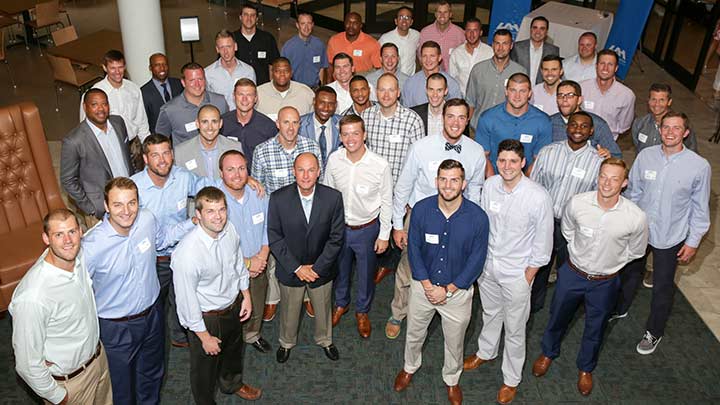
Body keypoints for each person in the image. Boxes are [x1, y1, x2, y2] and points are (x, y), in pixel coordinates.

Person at [531, 158, 648, 397]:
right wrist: (578, 253)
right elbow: (568, 230)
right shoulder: (577, 203)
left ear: (624, 183)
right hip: (572, 274)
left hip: (606, 282)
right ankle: (548, 353)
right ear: (597, 177)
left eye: (615, 178)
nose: (607, 183)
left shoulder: (635, 216)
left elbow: (636, 251)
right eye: (604, 176)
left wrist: (611, 262)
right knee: (557, 317)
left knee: (596, 327)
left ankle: (586, 368)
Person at [82, 177, 193, 404]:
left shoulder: (147, 220)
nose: (126, 211)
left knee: (153, 375)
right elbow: (78, 291)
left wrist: (194, 221)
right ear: (106, 206)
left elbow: (162, 240)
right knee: (121, 387)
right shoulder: (91, 246)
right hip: (116, 327)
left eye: (132, 203)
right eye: (118, 205)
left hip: (152, 316)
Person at [392, 159, 489, 405]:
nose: (448, 185)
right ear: (436, 182)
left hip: (457, 293)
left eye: (454, 179)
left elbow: (476, 261)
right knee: (414, 333)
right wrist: (427, 286)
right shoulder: (422, 210)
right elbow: (413, 250)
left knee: (455, 342)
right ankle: (409, 367)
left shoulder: (478, 217)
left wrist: (448, 290)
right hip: (422, 288)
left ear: (463, 184)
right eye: (443, 179)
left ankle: (452, 379)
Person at [464, 139, 553, 405]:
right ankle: (486, 352)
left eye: (513, 161)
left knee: (515, 329)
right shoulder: (490, 186)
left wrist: (528, 274)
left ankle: (511, 379)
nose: (507, 166)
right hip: (489, 267)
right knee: (490, 313)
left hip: (518, 272)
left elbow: (543, 242)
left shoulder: (538, 196)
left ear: (523, 163)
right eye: (502, 161)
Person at [388, 98, 486, 339]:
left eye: (461, 117)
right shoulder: (422, 146)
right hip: (420, 218)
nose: (455, 122)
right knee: (408, 268)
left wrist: (471, 226)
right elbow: (403, 186)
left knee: (453, 265)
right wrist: (398, 225)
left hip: (458, 218)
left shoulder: (475, 151)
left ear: (467, 120)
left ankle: (444, 310)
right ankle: (398, 312)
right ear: (442, 117)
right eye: (450, 116)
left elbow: (475, 192)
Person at [614, 112, 710, 355]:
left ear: (685, 133)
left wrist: (693, 241)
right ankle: (620, 308)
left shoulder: (699, 166)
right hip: (640, 229)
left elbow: (700, 207)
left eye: (676, 128)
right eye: (666, 127)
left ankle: (653, 331)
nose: (669, 132)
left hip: (671, 234)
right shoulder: (646, 156)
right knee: (628, 273)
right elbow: (633, 192)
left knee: (662, 287)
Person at [10, 209, 112, 405]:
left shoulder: (77, 257)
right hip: (71, 384)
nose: (68, 240)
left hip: (98, 361)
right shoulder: (34, 295)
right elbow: (27, 365)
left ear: (81, 232)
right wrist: (58, 396)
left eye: (72, 231)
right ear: (46, 239)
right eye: (59, 234)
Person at [172, 186, 262, 403]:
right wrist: (204, 337)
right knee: (204, 371)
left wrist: (246, 294)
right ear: (198, 215)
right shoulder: (187, 254)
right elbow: (186, 301)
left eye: (221, 209)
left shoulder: (229, 229)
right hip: (206, 318)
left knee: (233, 353)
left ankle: (232, 384)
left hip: (232, 306)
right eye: (210, 211)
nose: (218, 216)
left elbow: (238, 263)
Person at [130, 134, 206, 348]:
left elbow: (208, 187)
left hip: (180, 254)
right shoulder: (134, 187)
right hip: (152, 258)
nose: (162, 160)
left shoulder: (183, 177)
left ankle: (179, 336)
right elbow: (157, 238)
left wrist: (245, 180)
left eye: (166, 153)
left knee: (181, 296)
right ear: (146, 159)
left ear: (172, 155)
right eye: (155, 155)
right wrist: (191, 223)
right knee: (153, 303)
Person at [268, 153, 345, 363]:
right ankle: (286, 342)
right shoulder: (278, 198)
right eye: (301, 170)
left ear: (319, 172)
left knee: (323, 308)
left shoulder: (333, 198)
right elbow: (275, 237)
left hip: (322, 268)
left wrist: (317, 268)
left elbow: (336, 238)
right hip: (290, 269)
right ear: (294, 172)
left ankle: (325, 340)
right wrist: (297, 268)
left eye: (311, 170)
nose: (305, 175)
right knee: (289, 310)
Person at [323, 115, 392, 338]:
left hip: (367, 230)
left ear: (364, 135)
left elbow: (387, 201)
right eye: (346, 134)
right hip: (340, 228)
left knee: (365, 274)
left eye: (355, 133)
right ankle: (341, 304)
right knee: (340, 270)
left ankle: (362, 311)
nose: (351, 138)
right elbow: (327, 193)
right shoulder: (334, 160)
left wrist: (384, 235)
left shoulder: (380, 165)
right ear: (340, 137)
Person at [529, 112, 603, 314]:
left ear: (591, 130)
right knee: (539, 264)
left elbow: (598, 197)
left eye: (584, 126)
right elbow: (534, 186)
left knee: (568, 270)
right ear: (566, 127)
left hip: (574, 226)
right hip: (545, 221)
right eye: (574, 125)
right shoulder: (548, 152)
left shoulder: (598, 160)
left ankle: (562, 308)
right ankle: (533, 304)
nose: (578, 129)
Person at [252, 106, 322, 321]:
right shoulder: (262, 151)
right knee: (275, 262)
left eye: (295, 122)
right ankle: (273, 300)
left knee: (308, 256)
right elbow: (257, 189)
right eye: (286, 122)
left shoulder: (311, 147)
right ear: (277, 124)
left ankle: (307, 296)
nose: (290, 128)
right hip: (277, 217)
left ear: (300, 124)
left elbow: (320, 181)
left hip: (307, 215)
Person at [216, 150, 273, 354]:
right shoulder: (214, 201)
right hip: (229, 270)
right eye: (230, 169)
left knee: (256, 305)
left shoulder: (258, 193)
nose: (237, 174)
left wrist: (263, 255)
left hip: (259, 263)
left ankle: (252, 335)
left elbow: (269, 225)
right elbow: (216, 242)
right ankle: (231, 342)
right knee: (230, 310)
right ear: (221, 173)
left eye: (241, 168)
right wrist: (247, 263)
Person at [61, 88, 134, 226]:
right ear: (85, 107)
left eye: (104, 104)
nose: (101, 109)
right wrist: (91, 208)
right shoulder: (74, 141)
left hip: (129, 199)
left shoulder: (118, 123)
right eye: (94, 105)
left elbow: (127, 157)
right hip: (102, 211)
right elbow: (68, 180)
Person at [475, 73, 552, 176]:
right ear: (506, 91)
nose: (517, 96)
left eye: (522, 91)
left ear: (530, 93)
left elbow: (539, 159)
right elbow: (483, 156)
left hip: (527, 181)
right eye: (513, 90)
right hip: (495, 178)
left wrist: (524, 185)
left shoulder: (543, 121)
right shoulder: (488, 118)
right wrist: (493, 183)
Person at [361, 73, 424, 183]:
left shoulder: (413, 120)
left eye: (391, 90)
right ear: (376, 92)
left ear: (398, 92)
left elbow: (419, 160)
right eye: (382, 90)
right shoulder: (365, 116)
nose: (386, 95)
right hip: (371, 186)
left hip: (399, 190)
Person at [79, 50, 150, 143]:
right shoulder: (93, 94)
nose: (117, 72)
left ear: (124, 67)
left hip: (132, 143)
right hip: (107, 143)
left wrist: (147, 143)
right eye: (112, 68)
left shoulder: (134, 89)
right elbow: (85, 126)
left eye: (120, 67)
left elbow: (141, 120)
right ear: (104, 68)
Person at [155, 62, 229, 145]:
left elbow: (227, 132)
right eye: (192, 80)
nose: (197, 84)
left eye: (200, 79)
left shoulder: (220, 102)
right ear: (183, 82)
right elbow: (159, 143)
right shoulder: (169, 110)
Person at [466, 29, 526, 129]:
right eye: (497, 43)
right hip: (478, 128)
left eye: (505, 43)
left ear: (511, 46)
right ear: (492, 45)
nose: (500, 48)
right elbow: (470, 102)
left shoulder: (520, 72)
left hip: (506, 129)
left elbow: (523, 105)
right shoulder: (478, 69)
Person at [549, 80, 621, 158]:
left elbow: (616, 156)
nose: (564, 99)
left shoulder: (597, 124)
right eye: (560, 95)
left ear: (579, 100)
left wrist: (608, 156)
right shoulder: (549, 123)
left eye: (570, 95)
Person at [220, 78, 277, 173]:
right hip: (228, 180)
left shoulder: (268, 126)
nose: (244, 99)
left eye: (249, 95)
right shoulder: (222, 123)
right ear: (234, 96)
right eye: (240, 94)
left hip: (258, 180)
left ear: (255, 98)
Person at [174, 105, 242, 180]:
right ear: (197, 123)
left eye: (214, 121)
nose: (210, 127)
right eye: (205, 122)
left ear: (220, 124)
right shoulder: (180, 152)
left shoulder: (235, 147)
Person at [580, 49, 635, 140]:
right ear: (596, 66)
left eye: (610, 64)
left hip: (608, 142)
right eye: (602, 64)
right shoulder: (582, 88)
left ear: (616, 68)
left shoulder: (627, 95)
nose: (605, 68)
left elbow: (624, 126)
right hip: (582, 139)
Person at [631, 83, 698, 154]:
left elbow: (691, 153)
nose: (657, 104)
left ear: (669, 102)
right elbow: (638, 148)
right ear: (648, 101)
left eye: (662, 100)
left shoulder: (681, 125)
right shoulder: (639, 123)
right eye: (653, 99)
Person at [205, 29, 256, 109]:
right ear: (217, 49)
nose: (226, 52)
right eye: (222, 47)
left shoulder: (248, 71)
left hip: (244, 118)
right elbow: (207, 102)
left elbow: (253, 98)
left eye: (229, 46)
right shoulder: (208, 73)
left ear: (235, 47)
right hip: (220, 119)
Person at [402, 41, 462, 108]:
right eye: (424, 56)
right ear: (420, 58)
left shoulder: (451, 84)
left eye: (432, 56)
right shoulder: (410, 83)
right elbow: (406, 111)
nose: (428, 60)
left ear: (439, 58)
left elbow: (457, 111)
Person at [233, 3, 280, 85]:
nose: (249, 18)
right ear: (240, 17)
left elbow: (273, 65)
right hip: (240, 89)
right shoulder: (232, 39)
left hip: (262, 88)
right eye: (246, 15)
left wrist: (271, 87)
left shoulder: (267, 39)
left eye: (252, 15)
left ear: (257, 18)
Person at [281, 12, 328, 88]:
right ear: (297, 25)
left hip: (314, 88)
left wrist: (321, 86)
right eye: (303, 23)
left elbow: (321, 68)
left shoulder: (319, 44)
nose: (306, 27)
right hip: (295, 89)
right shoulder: (288, 47)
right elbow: (283, 70)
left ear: (312, 25)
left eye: (309, 23)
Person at [448, 17, 493, 97]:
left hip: (483, 99)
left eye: (475, 30)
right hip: (462, 99)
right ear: (465, 32)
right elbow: (452, 79)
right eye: (469, 30)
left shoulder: (490, 52)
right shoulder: (456, 53)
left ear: (481, 32)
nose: (471, 34)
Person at [298, 86, 342, 168]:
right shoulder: (300, 124)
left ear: (336, 105)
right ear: (314, 101)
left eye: (331, 104)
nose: (326, 108)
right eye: (322, 103)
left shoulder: (342, 123)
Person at [141, 53, 184, 133]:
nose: (162, 68)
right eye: (157, 65)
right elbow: (144, 122)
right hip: (159, 138)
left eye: (165, 64)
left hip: (180, 135)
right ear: (150, 68)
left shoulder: (179, 84)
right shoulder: (144, 92)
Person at [510, 16, 560, 84]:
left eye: (542, 28)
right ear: (530, 29)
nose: (538, 32)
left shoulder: (553, 51)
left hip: (542, 91)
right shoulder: (517, 47)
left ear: (546, 32)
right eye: (535, 28)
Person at [418, 1, 464, 72]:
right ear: (435, 14)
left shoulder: (460, 33)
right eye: (439, 12)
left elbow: (463, 57)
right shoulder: (425, 33)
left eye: (445, 12)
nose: (442, 15)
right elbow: (420, 57)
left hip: (452, 77)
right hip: (429, 76)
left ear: (450, 14)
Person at [378, 7, 420, 76]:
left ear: (411, 22)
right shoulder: (385, 38)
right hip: (391, 78)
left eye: (407, 17)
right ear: (396, 21)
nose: (404, 20)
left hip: (410, 78)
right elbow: (378, 59)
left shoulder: (416, 35)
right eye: (401, 17)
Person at [411, 73, 450, 137]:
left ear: (446, 91)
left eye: (439, 90)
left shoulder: (456, 115)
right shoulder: (414, 114)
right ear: (426, 90)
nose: (435, 95)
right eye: (431, 89)